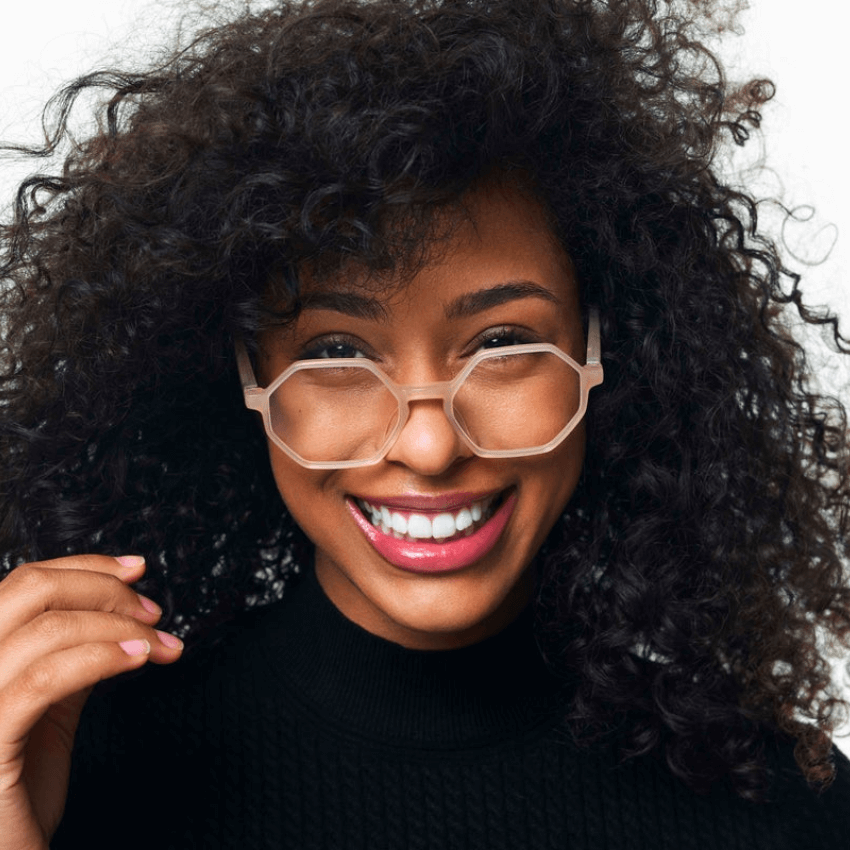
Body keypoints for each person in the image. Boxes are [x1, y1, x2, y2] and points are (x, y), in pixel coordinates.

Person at [0, 0, 848, 846]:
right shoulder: (74, 768)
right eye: (336, 353)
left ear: (608, 353)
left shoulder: (786, 804)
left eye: (504, 343)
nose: (430, 444)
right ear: (245, 377)